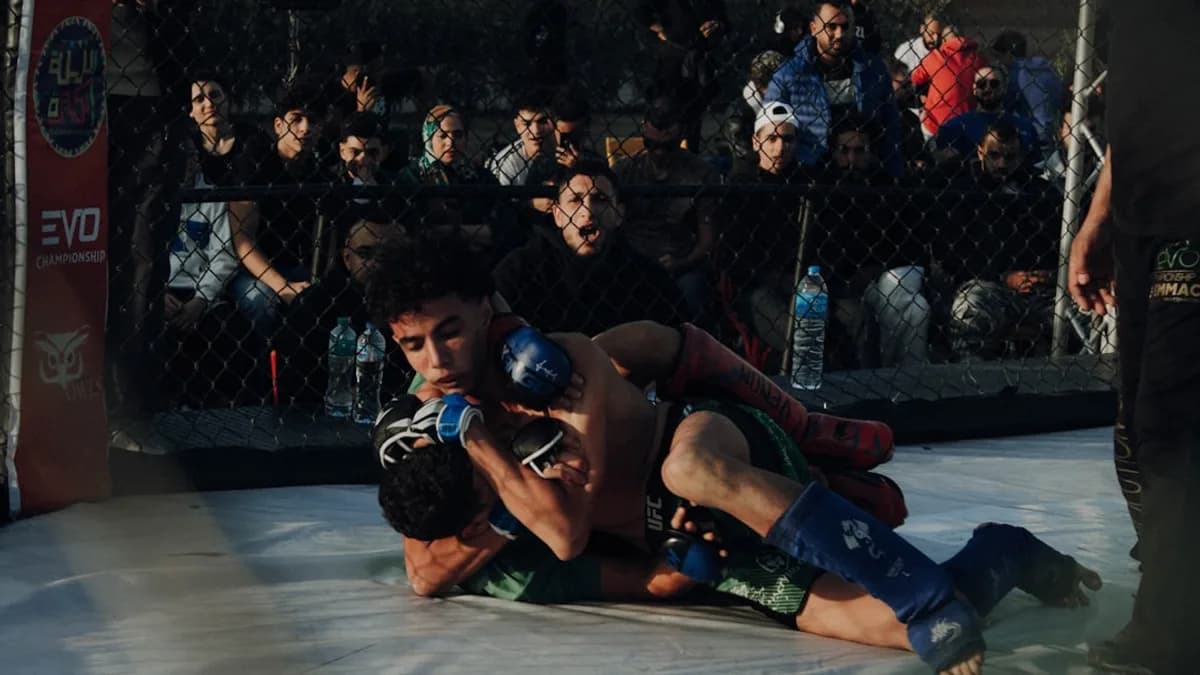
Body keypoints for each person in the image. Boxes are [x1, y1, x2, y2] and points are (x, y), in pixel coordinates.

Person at [366, 236, 1101, 675]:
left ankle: (919, 588)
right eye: (414, 345)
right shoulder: (433, 410)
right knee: (883, 635)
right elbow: (424, 566)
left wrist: (482, 443)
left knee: (690, 468)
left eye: (451, 331)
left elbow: (566, 531)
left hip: (708, 434)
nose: (437, 359)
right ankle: (1006, 552)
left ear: (488, 309)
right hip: (684, 536)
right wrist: (473, 439)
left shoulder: (565, 364)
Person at [1069, 2, 1200, 671]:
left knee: (1169, 417)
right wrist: (1096, 217)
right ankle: (1178, 586)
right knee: (1136, 430)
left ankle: (1171, 627)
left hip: (1192, 219)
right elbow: (1139, 107)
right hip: (1139, 221)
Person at [492, 161, 688, 335]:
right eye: (575, 200)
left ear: (619, 214)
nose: (588, 210)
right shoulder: (521, 269)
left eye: (600, 199)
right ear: (558, 215)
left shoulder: (645, 276)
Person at [765, 0, 903, 176]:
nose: (839, 34)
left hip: (863, 170)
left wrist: (893, 174)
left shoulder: (873, 69)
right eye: (831, 27)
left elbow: (891, 124)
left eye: (845, 27)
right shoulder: (788, 75)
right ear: (813, 28)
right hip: (808, 172)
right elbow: (771, 128)